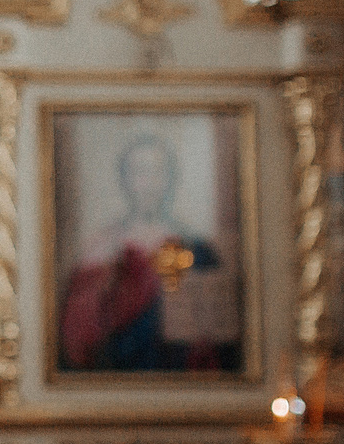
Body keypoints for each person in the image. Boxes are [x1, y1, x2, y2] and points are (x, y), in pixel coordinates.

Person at [59, 133, 239, 372]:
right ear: (125, 179)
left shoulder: (197, 249)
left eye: (159, 172)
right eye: (140, 173)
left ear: (170, 179)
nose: (150, 184)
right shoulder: (102, 248)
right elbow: (79, 337)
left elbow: (220, 336)